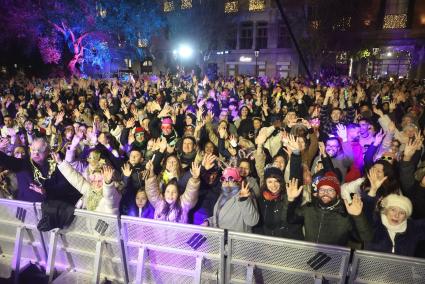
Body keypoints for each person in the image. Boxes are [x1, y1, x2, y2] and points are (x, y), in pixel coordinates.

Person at [286, 173, 373, 246]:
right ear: (317, 192)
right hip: (309, 257)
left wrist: (358, 216)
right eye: (322, 190)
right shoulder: (309, 208)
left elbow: (365, 238)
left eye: (330, 190)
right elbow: (291, 219)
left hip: (334, 262)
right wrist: (291, 200)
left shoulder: (345, 213)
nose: (325, 194)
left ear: (337, 194)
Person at [0, 137, 82, 204]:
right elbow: (6, 160)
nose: (35, 153)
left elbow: (64, 186)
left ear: (48, 151)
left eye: (40, 150)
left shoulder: (57, 163)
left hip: (53, 208)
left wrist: (46, 191)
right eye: (33, 149)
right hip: (28, 210)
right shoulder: (24, 164)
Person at [204, 167, 259, 233]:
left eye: (230, 180)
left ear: (238, 182)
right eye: (223, 179)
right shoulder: (223, 196)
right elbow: (221, 217)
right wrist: (209, 222)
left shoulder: (245, 196)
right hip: (221, 239)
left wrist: (244, 200)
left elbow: (252, 221)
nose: (226, 183)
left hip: (237, 241)